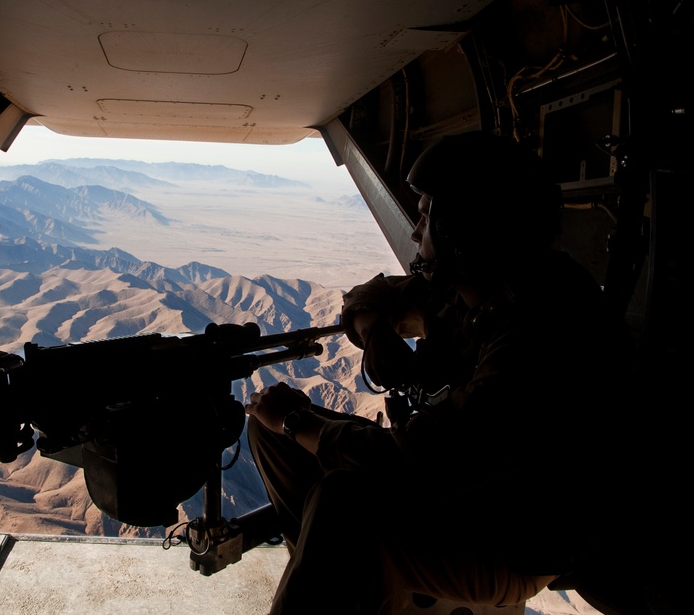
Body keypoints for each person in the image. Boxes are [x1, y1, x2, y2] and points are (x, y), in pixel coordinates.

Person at [244, 130, 635, 614]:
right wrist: (379, 334)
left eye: (427, 217)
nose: (415, 231)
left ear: (461, 232)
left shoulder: (542, 327)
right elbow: (369, 296)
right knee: (272, 437)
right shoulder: (476, 288)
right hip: (459, 493)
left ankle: (334, 575)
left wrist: (297, 421)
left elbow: (425, 459)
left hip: (510, 539)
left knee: (340, 495)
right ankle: (335, 578)